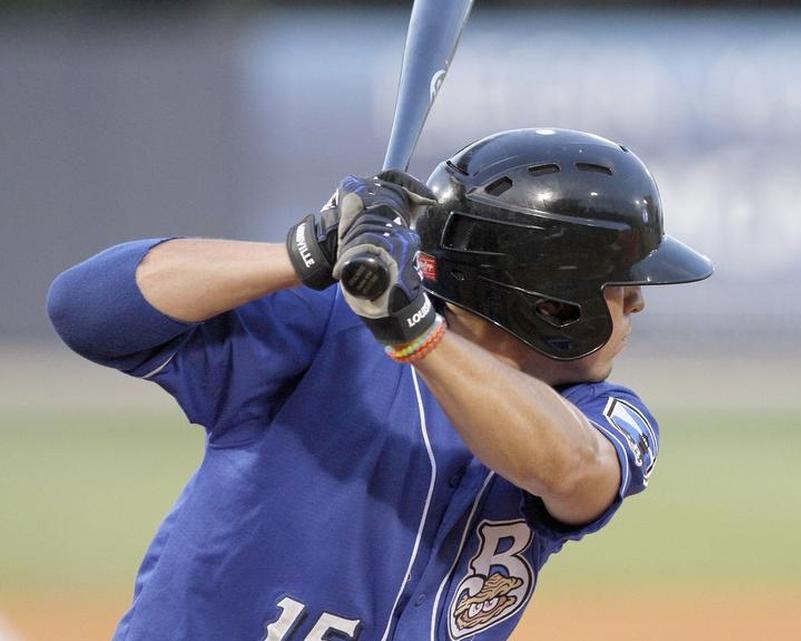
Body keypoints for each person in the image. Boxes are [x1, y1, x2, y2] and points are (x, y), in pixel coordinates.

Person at [48, 128, 712, 641]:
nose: (639, 305)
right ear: (552, 302)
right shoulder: (325, 333)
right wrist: (304, 251)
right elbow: (86, 310)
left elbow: (572, 470)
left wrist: (416, 331)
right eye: (622, 288)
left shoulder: (603, 413)